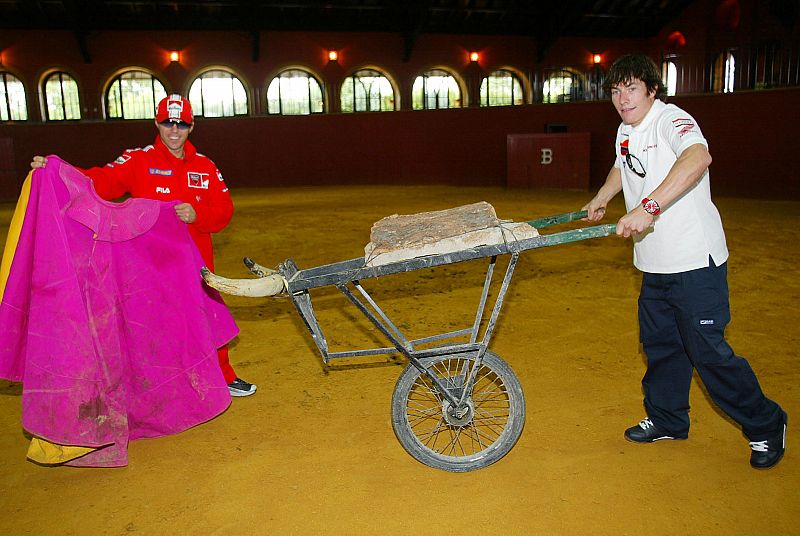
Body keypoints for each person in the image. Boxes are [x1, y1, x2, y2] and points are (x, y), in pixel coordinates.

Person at [583, 54, 786, 469]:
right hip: (654, 264)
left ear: (652, 90)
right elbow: (623, 165)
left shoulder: (671, 120)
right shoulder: (626, 129)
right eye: (616, 91)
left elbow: (697, 159)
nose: (623, 99)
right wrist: (603, 196)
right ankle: (668, 419)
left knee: (708, 353)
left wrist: (649, 207)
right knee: (661, 348)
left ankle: (766, 424)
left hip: (694, 262)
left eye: (632, 89)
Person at [31, 94, 257, 397]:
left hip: (196, 267)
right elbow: (101, 180)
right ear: (156, 123)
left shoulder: (205, 166)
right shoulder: (138, 160)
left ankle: (223, 376)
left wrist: (197, 214)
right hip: (150, 266)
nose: (174, 130)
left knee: (208, 318)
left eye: (181, 124)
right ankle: (155, 387)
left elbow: (224, 210)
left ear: (192, 126)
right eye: (167, 123)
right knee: (150, 326)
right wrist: (59, 171)